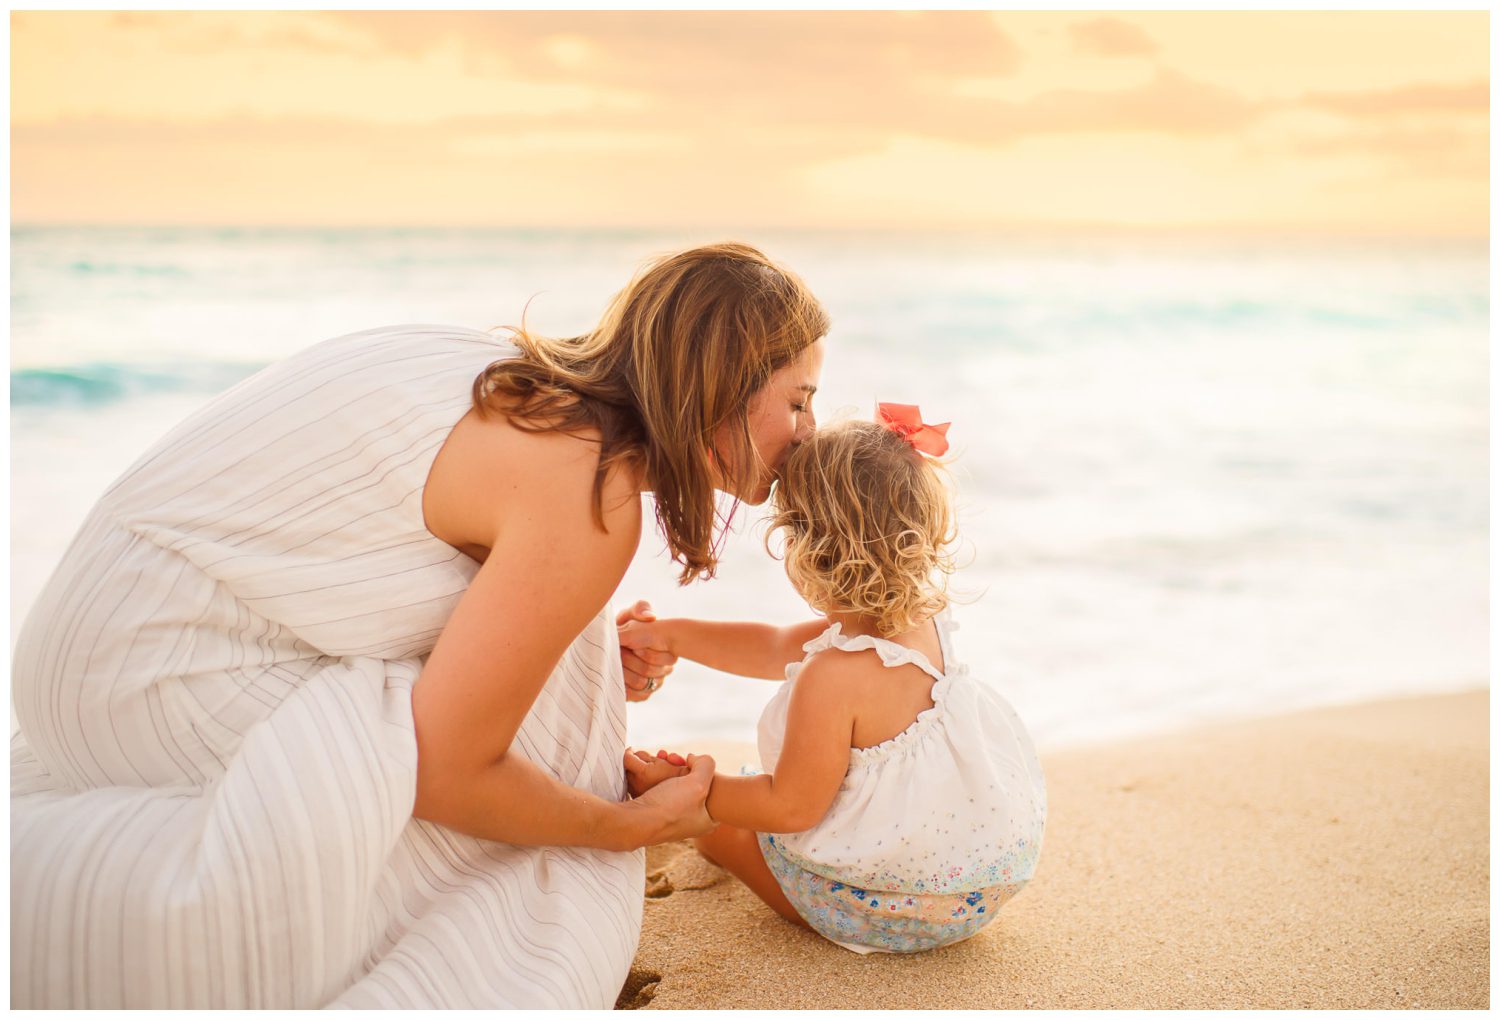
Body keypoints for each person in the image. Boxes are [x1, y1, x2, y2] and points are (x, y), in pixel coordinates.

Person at [9, 243, 827, 1007]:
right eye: (799, 400)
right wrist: (632, 827)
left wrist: (576, 664)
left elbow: (358, 556)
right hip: (146, 679)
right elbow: (449, 775)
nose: (811, 432)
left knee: (563, 691)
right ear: (722, 381)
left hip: (89, 642)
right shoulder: (590, 486)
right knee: (549, 884)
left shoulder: (501, 377)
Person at [618, 407, 1047, 954]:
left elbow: (789, 808)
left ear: (812, 549)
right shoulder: (917, 626)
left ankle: (729, 842)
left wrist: (691, 788)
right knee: (758, 793)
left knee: (722, 830)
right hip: (973, 894)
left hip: (877, 911)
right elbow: (774, 646)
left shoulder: (834, 675)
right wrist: (674, 636)